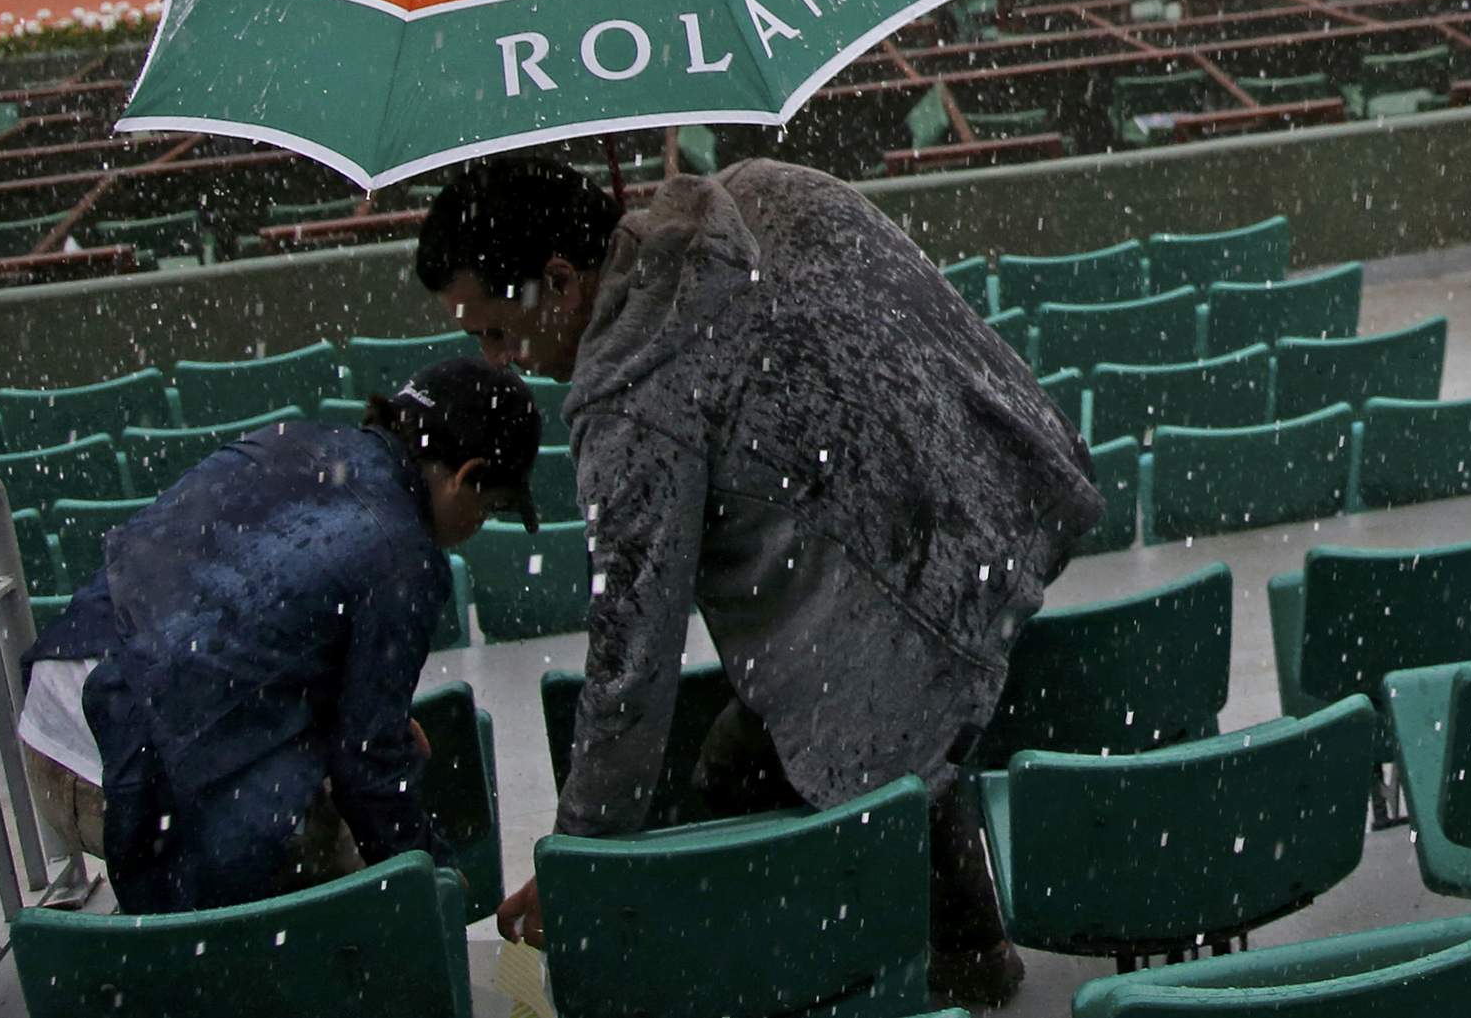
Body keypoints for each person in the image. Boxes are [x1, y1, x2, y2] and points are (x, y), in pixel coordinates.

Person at [416, 151, 1099, 1012]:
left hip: (890, 599)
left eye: (497, 330)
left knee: (752, 766)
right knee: (894, 717)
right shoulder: (775, 188)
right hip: (990, 519)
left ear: (560, 278)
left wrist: (579, 859)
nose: (499, 359)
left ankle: (857, 974)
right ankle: (969, 950)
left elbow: (631, 664)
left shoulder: (627, 403)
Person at [21, 358, 540, 915]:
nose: (478, 526)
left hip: (49, 710)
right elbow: (369, 765)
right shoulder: (405, 555)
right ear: (467, 475)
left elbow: (213, 613)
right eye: (491, 508)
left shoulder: (290, 441)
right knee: (353, 881)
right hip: (117, 757)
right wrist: (435, 878)